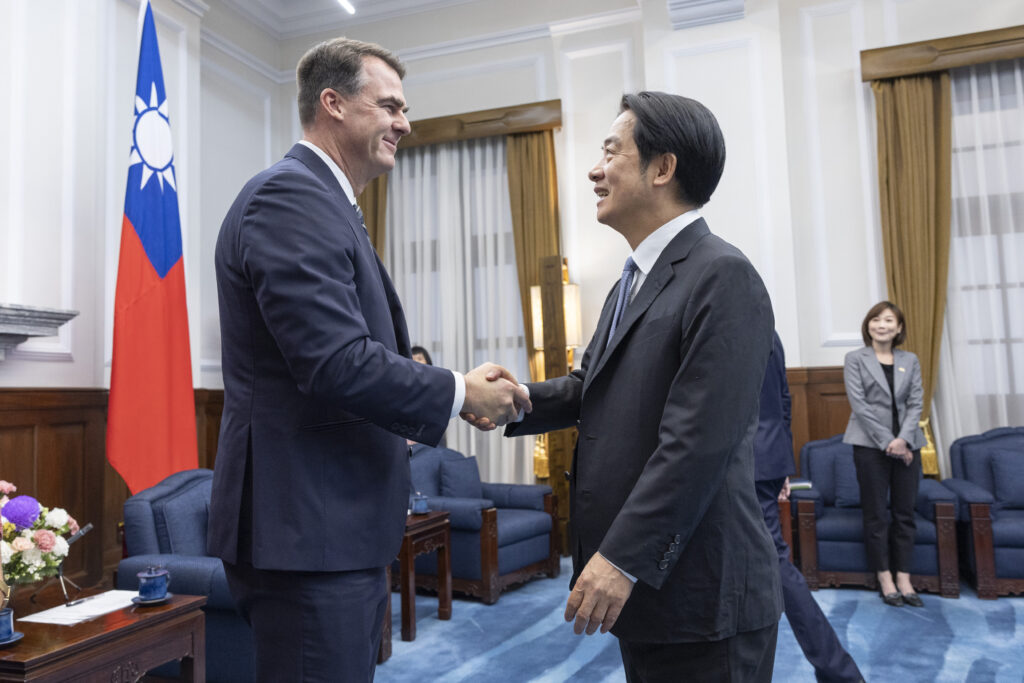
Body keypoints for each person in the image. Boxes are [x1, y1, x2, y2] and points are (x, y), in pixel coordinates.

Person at [207, 37, 530, 681]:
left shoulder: (329, 205)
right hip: (306, 533)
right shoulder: (290, 197)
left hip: (329, 530)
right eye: (389, 106)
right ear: (332, 103)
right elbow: (336, 362)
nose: (404, 123)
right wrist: (459, 393)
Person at [469, 91, 782, 681]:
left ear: (662, 169)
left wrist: (621, 557)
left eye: (611, 151)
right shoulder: (630, 280)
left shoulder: (723, 274)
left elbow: (697, 444)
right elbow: (595, 387)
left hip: (703, 591)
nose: (594, 169)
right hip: (653, 596)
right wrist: (513, 403)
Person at [755, 331, 864, 682]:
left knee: (775, 566)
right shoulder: (768, 329)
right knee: (762, 567)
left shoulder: (723, 317)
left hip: (741, 463)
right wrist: (782, 464)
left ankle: (840, 672)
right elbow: (784, 400)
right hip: (768, 458)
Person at [843, 300, 926, 608]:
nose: (882, 325)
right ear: (868, 326)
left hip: (908, 446)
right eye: (876, 320)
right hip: (869, 446)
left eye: (889, 320)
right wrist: (888, 441)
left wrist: (903, 439)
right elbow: (860, 405)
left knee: (905, 514)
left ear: (899, 328)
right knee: (876, 514)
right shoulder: (855, 358)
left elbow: (916, 403)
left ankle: (903, 576)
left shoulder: (911, 360)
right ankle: (884, 577)